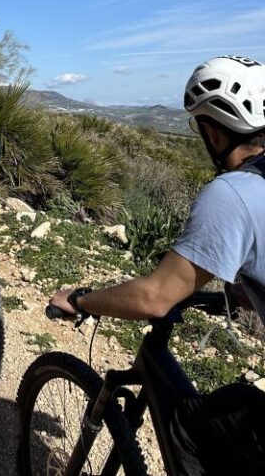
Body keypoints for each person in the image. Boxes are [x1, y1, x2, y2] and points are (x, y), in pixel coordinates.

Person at [49, 55, 265, 474]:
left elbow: (154, 297)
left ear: (213, 131)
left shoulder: (234, 193)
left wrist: (82, 298)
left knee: (189, 426)